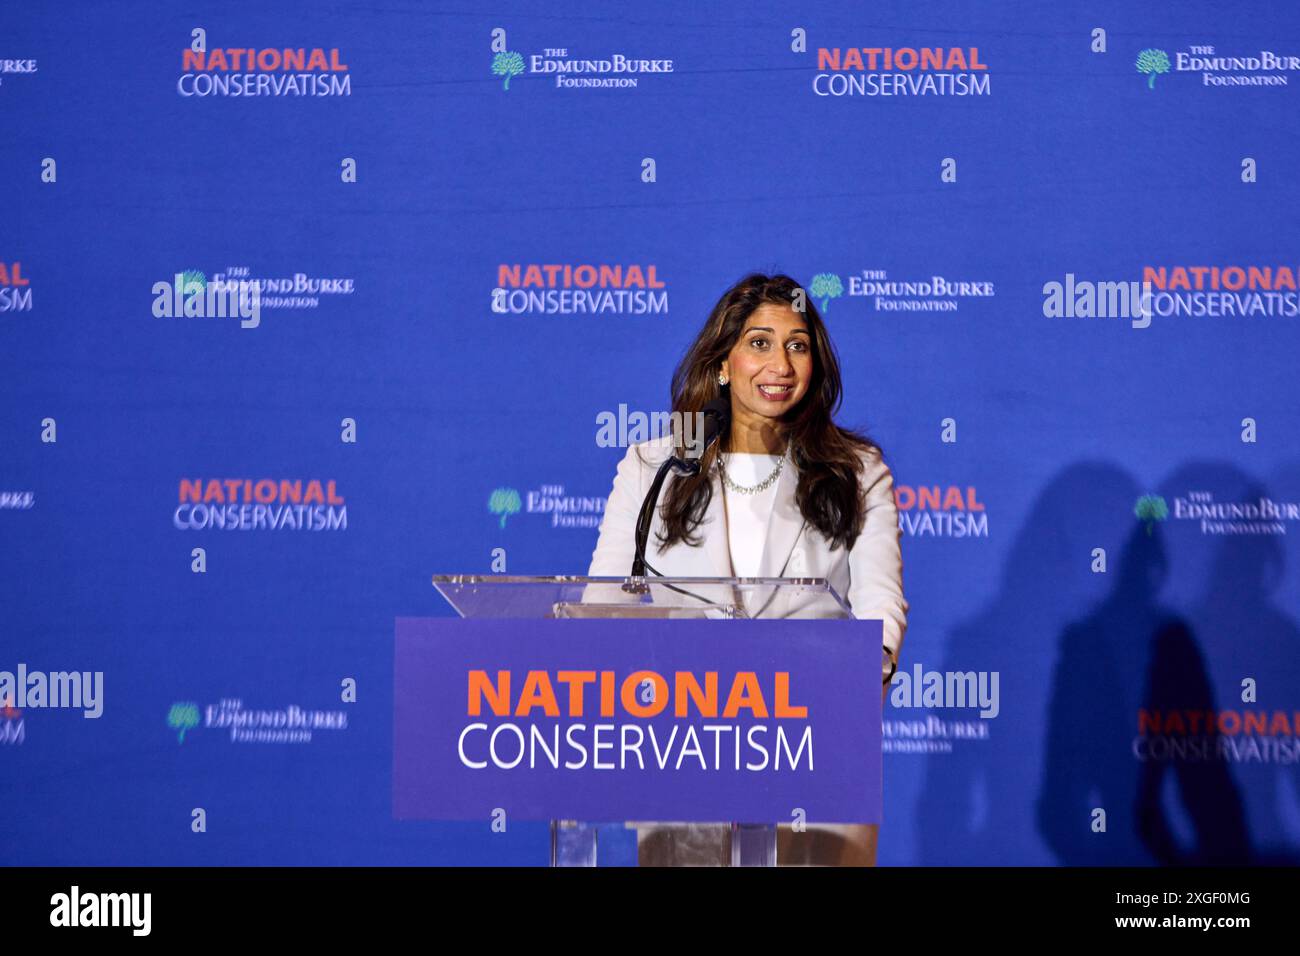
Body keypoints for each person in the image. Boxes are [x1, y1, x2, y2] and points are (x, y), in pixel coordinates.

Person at [586, 272, 909, 865]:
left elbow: (880, 610)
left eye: (798, 345)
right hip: (679, 756)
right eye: (759, 342)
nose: (780, 364)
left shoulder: (857, 470)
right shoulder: (654, 465)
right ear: (723, 363)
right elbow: (604, 605)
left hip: (816, 755)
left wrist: (847, 692)